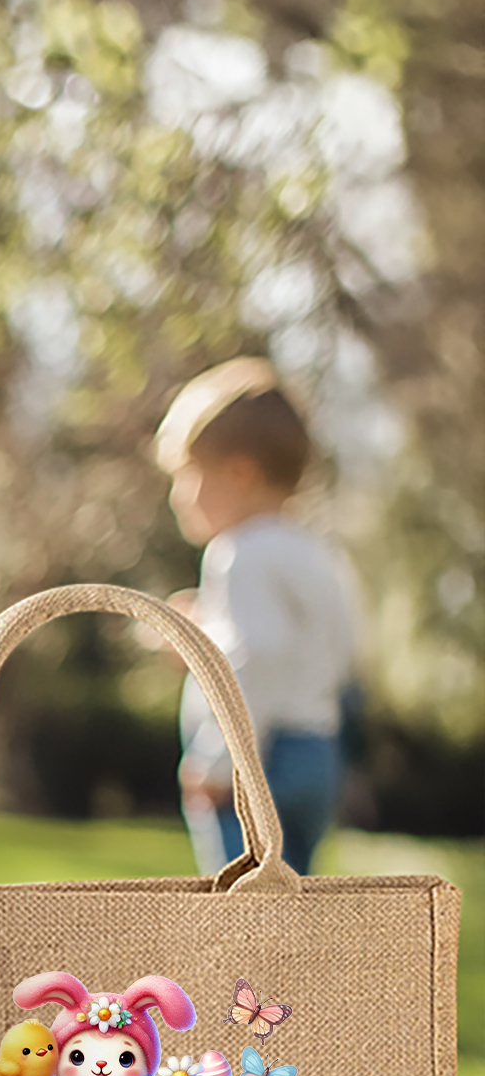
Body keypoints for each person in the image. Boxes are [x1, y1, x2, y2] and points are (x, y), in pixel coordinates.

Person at [154, 358, 364, 877]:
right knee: (286, 911)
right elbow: (323, 648)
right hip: (314, 752)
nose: (178, 496)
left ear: (238, 473)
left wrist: (217, 761)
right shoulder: (316, 553)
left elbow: (254, 657)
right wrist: (206, 632)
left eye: (186, 476)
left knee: (240, 917)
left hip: (258, 766)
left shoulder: (237, 553)